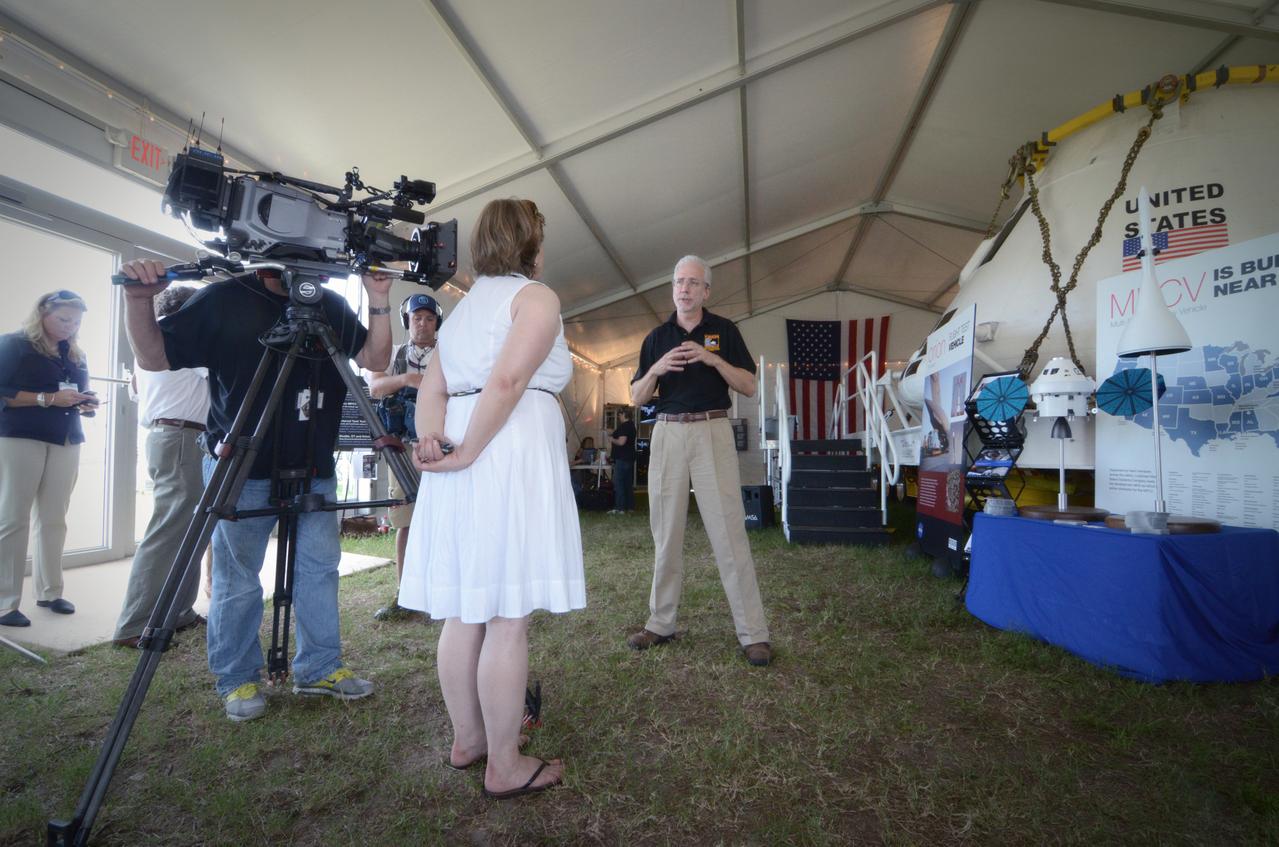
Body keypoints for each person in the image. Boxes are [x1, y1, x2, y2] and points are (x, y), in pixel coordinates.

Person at [118, 259, 394, 722]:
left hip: (314, 465)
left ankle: (320, 667)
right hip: (243, 465)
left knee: (319, 569)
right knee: (237, 577)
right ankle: (237, 677)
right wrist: (137, 299)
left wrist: (380, 298)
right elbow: (155, 356)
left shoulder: (326, 304)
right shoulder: (225, 298)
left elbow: (375, 359)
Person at [398, 197, 583, 799]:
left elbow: (432, 389)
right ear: (531, 243)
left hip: (462, 447)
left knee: (466, 607)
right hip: (503, 451)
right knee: (508, 614)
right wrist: (467, 450)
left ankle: (469, 739)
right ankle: (504, 764)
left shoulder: (460, 312)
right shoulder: (536, 297)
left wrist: (434, 440)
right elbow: (507, 381)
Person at [627, 255, 772, 666]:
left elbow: (748, 385)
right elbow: (637, 397)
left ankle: (753, 633)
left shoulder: (724, 331)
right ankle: (661, 623)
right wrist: (656, 369)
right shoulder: (656, 337)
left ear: (706, 291)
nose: (684, 289)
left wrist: (713, 359)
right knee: (665, 533)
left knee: (729, 532)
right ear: (672, 289)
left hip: (712, 430)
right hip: (668, 433)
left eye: (693, 282)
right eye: (679, 282)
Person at [113, 285, 210, 647]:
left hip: (172, 436)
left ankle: (179, 612)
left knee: (189, 529)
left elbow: (137, 389)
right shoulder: (181, 336)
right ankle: (134, 624)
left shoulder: (153, 337)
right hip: (182, 437)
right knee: (170, 531)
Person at [0, 290, 99, 627]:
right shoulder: (14, 344)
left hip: (67, 438)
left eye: (76, 322)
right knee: (13, 518)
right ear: (42, 313)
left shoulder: (75, 353)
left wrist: (85, 403)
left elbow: (74, 395)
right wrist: (48, 398)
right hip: (20, 436)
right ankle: (5, 603)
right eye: (64, 319)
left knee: (54, 518)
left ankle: (50, 592)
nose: (70, 327)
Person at [368, 292, 444, 621]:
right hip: (403, 450)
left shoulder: (449, 354)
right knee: (405, 521)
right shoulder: (395, 353)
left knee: (443, 519)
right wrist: (408, 379)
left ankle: (441, 591)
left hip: (440, 447)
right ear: (407, 321)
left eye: (429, 318)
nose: (422, 324)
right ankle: (405, 594)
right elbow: (375, 387)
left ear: (437, 323)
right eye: (417, 318)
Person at [607, 408, 636, 514]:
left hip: (622, 458)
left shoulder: (624, 426)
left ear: (624, 414)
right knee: (627, 483)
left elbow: (621, 442)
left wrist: (611, 439)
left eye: (619, 414)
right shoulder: (631, 425)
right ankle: (630, 507)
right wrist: (613, 432)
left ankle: (620, 508)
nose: (619, 416)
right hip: (629, 458)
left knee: (618, 483)